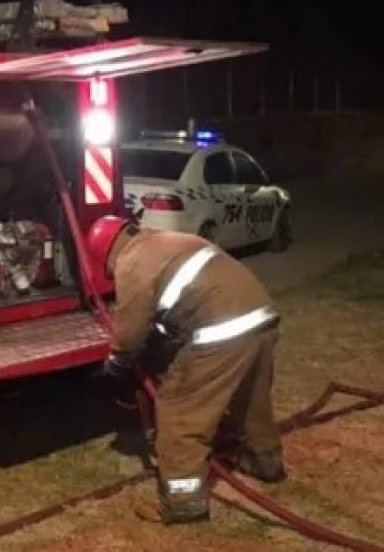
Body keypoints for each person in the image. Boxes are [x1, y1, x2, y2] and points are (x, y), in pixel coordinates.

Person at [88, 216, 286, 524]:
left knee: (180, 411)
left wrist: (117, 362)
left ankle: (183, 501)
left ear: (107, 253)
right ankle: (265, 462)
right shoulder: (171, 240)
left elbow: (129, 332)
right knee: (250, 398)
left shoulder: (132, 261)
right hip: (261, 317)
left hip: (222, 331)